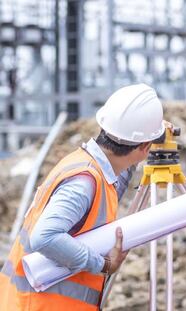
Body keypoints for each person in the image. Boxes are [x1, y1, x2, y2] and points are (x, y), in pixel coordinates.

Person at [0, 84, 165, 310]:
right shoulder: (84, 182)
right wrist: (103, 264)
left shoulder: (89, 165)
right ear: (145, 147)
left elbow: (116, 174)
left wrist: (148, 134)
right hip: (38, 305)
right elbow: (44, 237)